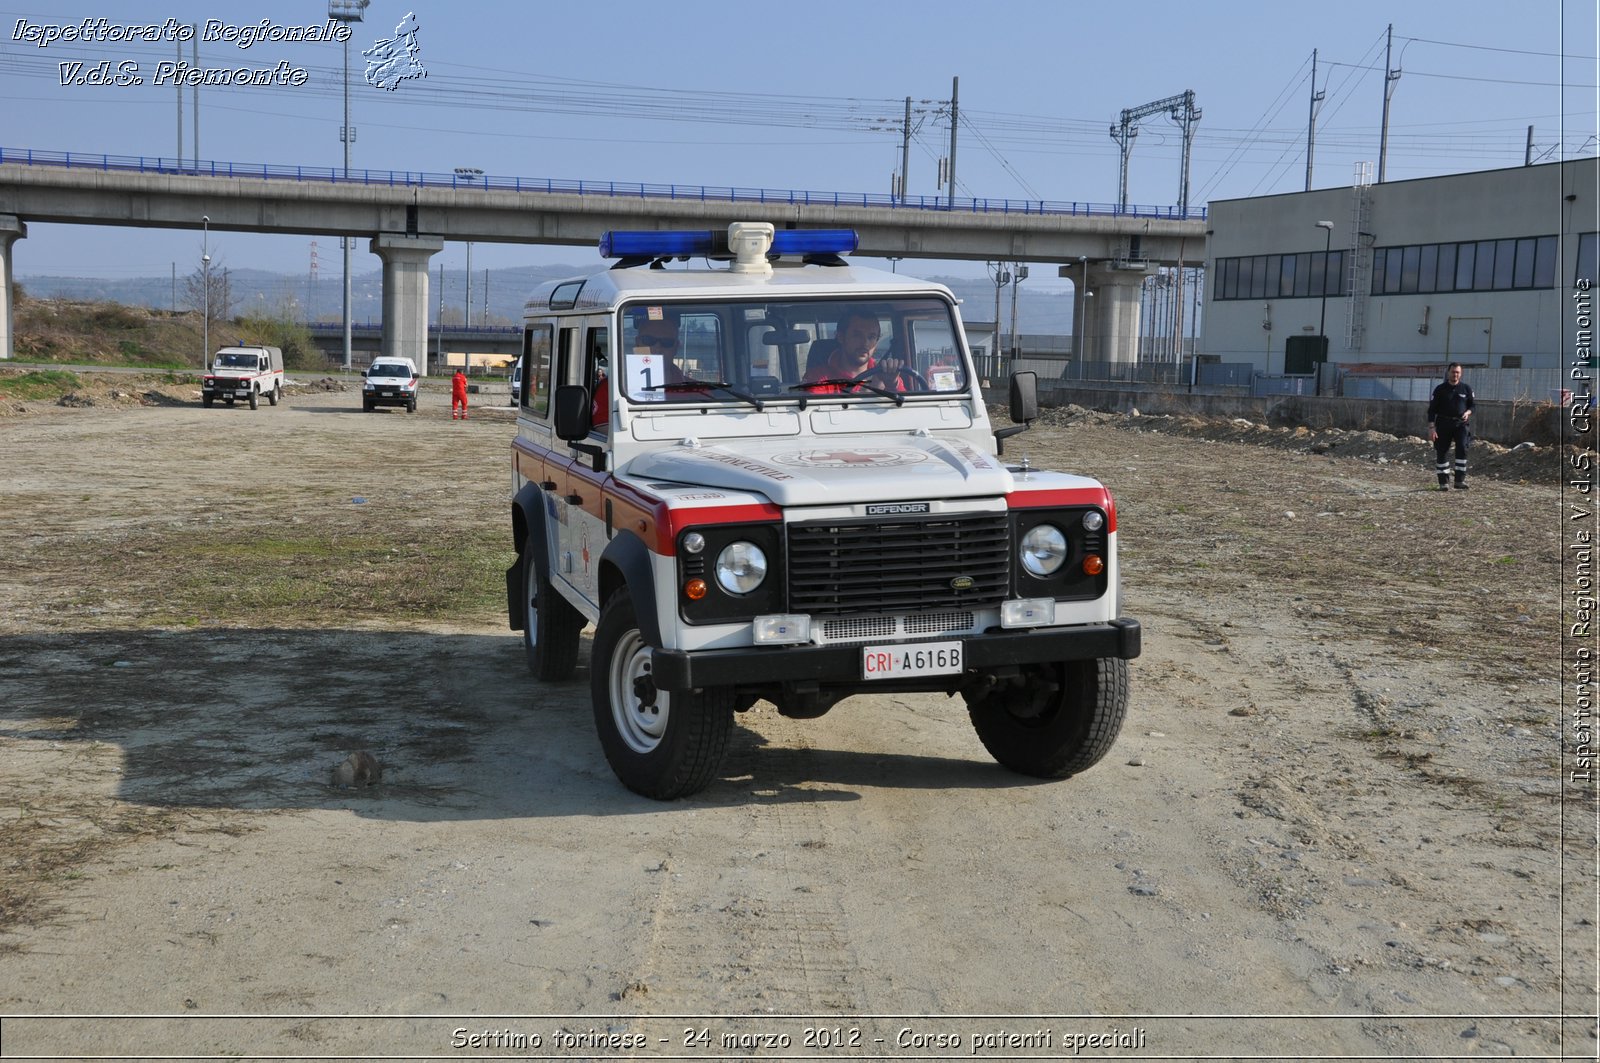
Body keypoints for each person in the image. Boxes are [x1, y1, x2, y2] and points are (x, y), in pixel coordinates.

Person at [800, 310, 905, 394]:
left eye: (871, 337)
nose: (865, 343)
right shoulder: (818, 377)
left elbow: (905, 413)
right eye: (857, 335)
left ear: (877, 342)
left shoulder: (887, 375)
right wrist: (870, 391)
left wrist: (892, 385)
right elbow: (816, 415)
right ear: (841, 337)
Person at [1427, 362, 1474, 490]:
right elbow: (1431, 410)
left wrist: (1467, 412)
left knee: (1462, 449)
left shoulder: (1466, 389)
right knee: (1442, 451)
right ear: (1448, 373)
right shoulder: (1440, 389)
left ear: (1461, 373)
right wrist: (1432, 428)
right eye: (1453, 372)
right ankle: (1443, 482)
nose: (1455, 374)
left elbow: (1472, 406)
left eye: (1458, 372)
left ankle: (1459, 481)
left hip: (1461, 424)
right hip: (1443, 423)